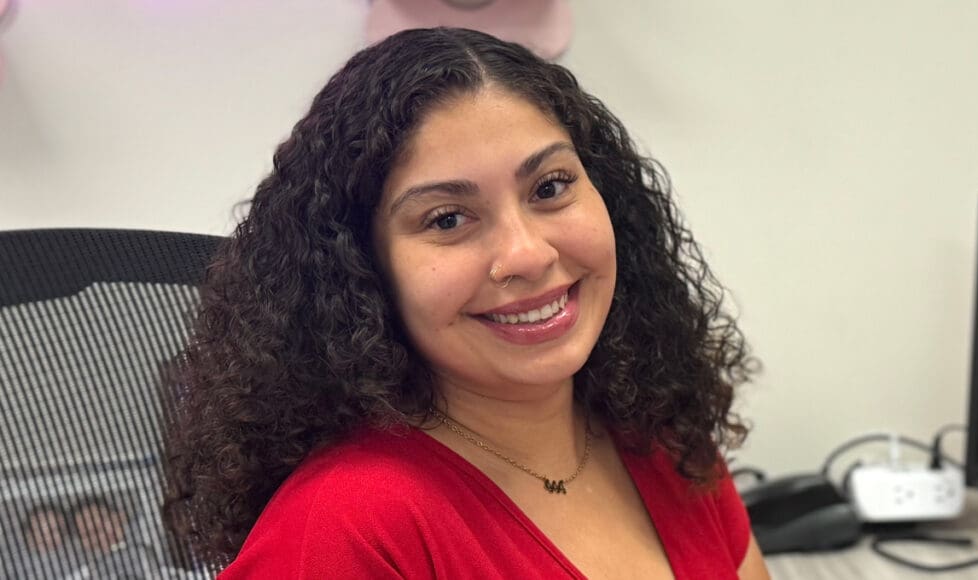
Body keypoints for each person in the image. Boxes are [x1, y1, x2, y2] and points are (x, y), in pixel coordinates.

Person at [162, 27, 768, 579]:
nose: (527, 255)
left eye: (550, 187)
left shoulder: (660, 437)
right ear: (363, 268)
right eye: (448, 218)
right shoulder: (342, 535)